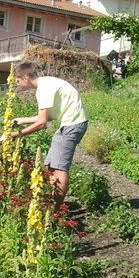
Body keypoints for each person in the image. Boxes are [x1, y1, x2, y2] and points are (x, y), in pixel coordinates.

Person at [10, 61, 88, 208]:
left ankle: (55, 210)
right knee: (51, 165)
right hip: (71, 124)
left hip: (72, 125)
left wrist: (15, 134)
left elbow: (42, 123)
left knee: (60, 168)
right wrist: (23, 120)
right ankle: (51, 203)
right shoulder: (47, 84)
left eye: (18, 80)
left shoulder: (43, 89)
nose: (18, 84)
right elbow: (48, 117)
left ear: (26, 77)